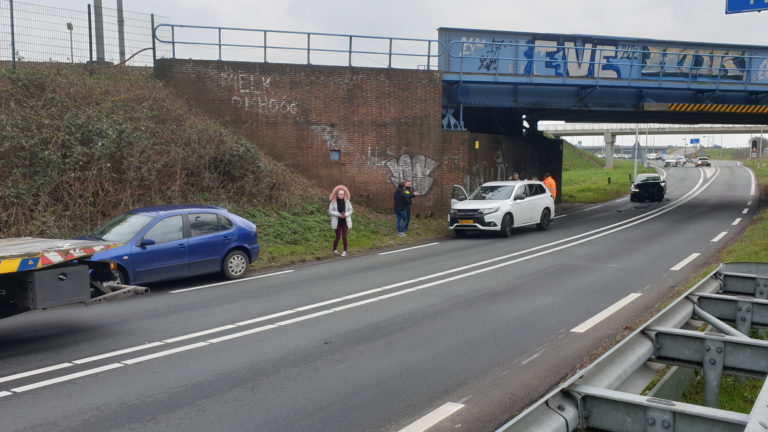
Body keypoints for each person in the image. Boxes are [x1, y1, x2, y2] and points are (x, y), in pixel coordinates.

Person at [329, 185, 353, 256]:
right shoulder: (333, 202)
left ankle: (345, 251)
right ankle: (334, 249)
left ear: (344, 194)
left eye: (342, 194)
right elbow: (330, 211)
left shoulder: (347, 201)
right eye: (340, 194)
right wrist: (338, 214)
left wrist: (346, 214)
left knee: (344, 236)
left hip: (345, 221)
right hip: (337, 221)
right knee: (338, 236)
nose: (341, 195)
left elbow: (351, 210)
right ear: (337, 194)